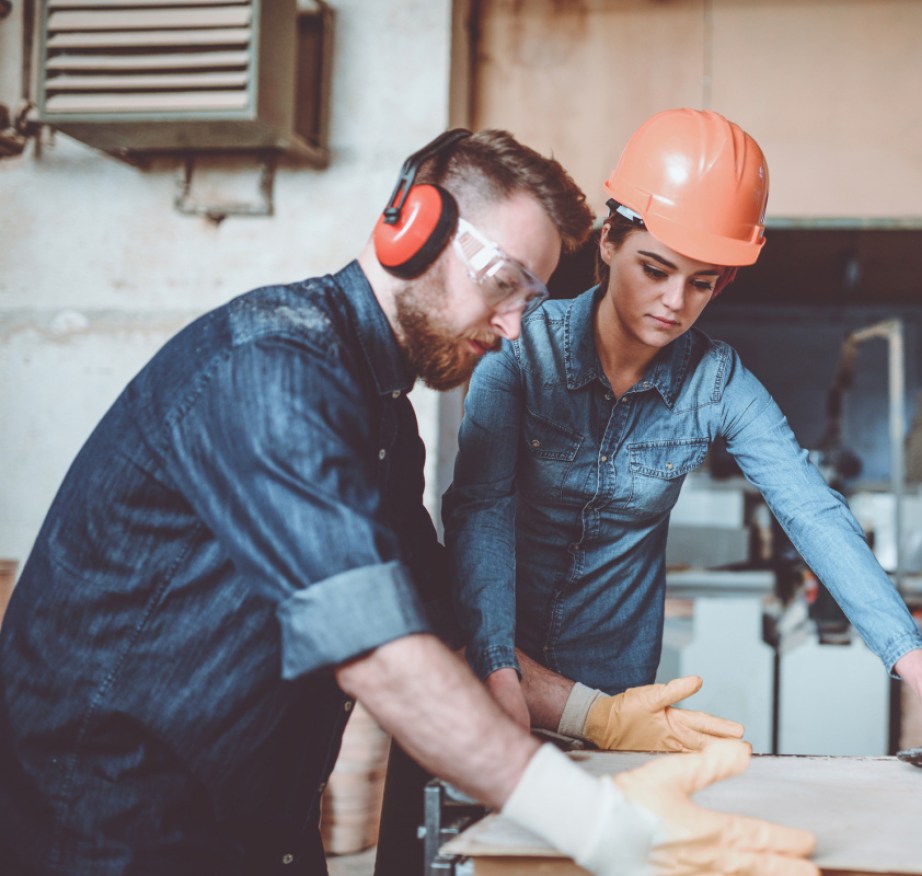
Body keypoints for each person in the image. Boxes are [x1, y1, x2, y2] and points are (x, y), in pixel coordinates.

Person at [0, 127, 820, 876]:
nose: (511, 328)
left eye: (530, 301)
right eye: (503, 283)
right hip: (105, 827)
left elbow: (439, 627)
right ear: (410, 228)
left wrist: (595, 716)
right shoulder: (270, 369)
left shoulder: (383, 418)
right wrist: (594, 823)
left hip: (248, 831)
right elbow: (378, 649)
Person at [444, 108, 922, 792]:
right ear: (608, 243)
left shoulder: (717, 383)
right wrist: (499, 675)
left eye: (701, 281)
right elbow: (480, 514)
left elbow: (813, 513)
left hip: (619, 698)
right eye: (654, 268)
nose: (673, 303)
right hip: (490, 664)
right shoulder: (518, 353)